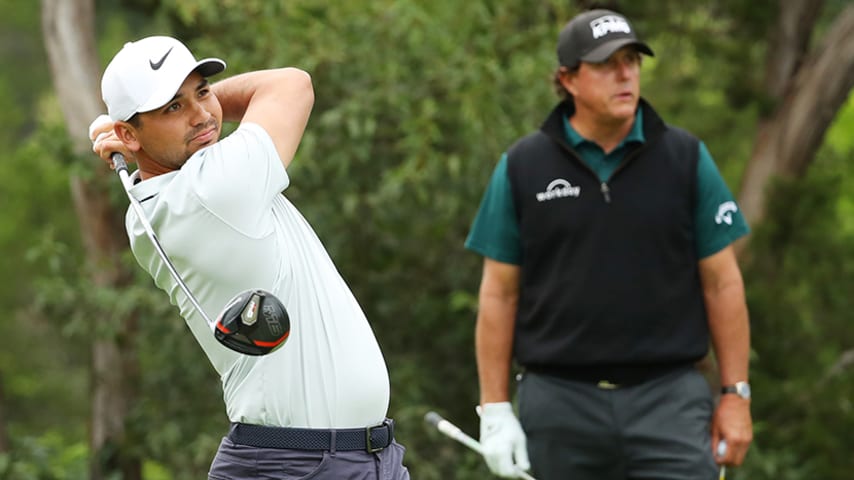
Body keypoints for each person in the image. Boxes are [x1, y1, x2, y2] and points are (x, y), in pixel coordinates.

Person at [89, 35, 409, 480]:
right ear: (127, 134)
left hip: (350, 459)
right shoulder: (213, 187)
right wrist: (184, 113)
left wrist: (150, 125)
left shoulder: (161, 199)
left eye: (203, 91)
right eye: (173, 108)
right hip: (300, 465)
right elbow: (291, 84)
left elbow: (183, 138)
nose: (202, 114)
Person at [465, 9, 753, 480]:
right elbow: (500, 293)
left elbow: (722, 283)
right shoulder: (523, 166)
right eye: (606, 63)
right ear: (568, 79)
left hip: (670, 401)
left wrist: (735, 394)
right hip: (560, 405)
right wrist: (494, 410)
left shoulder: (685, 158)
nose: (625, 74)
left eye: (632, 60)